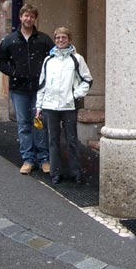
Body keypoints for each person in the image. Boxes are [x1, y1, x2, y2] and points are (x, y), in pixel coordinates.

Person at [0, 4, 54, 175]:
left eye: (32, 16)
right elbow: (0, 61)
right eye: (26, 16)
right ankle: (28, 159)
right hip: (19, 89)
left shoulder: (43, 39)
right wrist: (14, 71)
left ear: (35, 19)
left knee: (39, 124)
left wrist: (46, 76)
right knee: (23, 125)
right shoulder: (10, 40)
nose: (28, 19)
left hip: (39, 89)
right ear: (20, 17)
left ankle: (44, 159)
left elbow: (54, 58)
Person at [36, 27, 92, 185]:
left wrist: (75, 95)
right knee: (52, 140)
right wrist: (39, 107)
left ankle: (75, 172)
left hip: (68, 107)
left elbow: (87, 80)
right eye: (58, 38)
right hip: (50, 107)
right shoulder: (49, 60)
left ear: (69, 39)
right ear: (54, 40)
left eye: (64, 37)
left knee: (71, 140)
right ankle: (55, 172)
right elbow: (42, 84)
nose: (61, 40)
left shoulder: (77, 59)